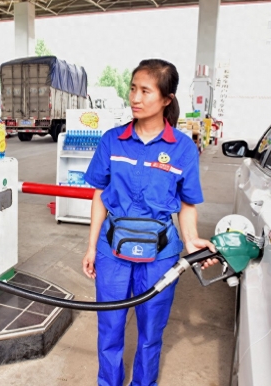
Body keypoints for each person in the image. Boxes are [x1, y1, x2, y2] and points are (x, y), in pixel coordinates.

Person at [82, 59, 218, 386]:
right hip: (112, 250)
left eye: (145, 91)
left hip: (160, 255)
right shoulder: (112, 140)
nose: (135, 98)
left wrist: (191, 241)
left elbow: (187, 203)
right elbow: (100, 195)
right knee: (110, 328)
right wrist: (91, 247)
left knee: (151, 331)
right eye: (133, 89)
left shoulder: (183, 148)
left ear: (167, 99)